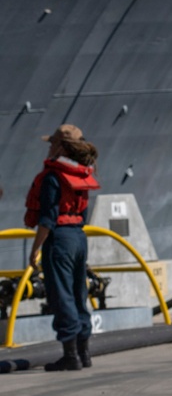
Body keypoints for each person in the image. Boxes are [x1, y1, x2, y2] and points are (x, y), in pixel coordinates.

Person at [24, 124, 100, 372]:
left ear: (59, 146)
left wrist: (35, 248)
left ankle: (70, 356)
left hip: (59, 240)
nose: (48, 148)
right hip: (79, 237)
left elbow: (47, 218)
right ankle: (84, 353)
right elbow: (83, 214)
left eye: (51, 143)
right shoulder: (82, 174)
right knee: (79, 293)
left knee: (61, 296)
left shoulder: (53, 177)